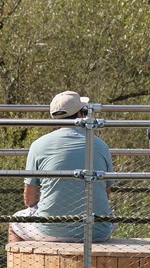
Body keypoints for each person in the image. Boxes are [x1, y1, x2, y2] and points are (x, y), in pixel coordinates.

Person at [10, 91, 116, 242]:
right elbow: (105, 193)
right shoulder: (100, 144)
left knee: (15, 222)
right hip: (97, 232)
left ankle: (21, 266)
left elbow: (30, 199)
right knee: (110, 216)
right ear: (81, 113)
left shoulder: (38, 145)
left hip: (49, 231)